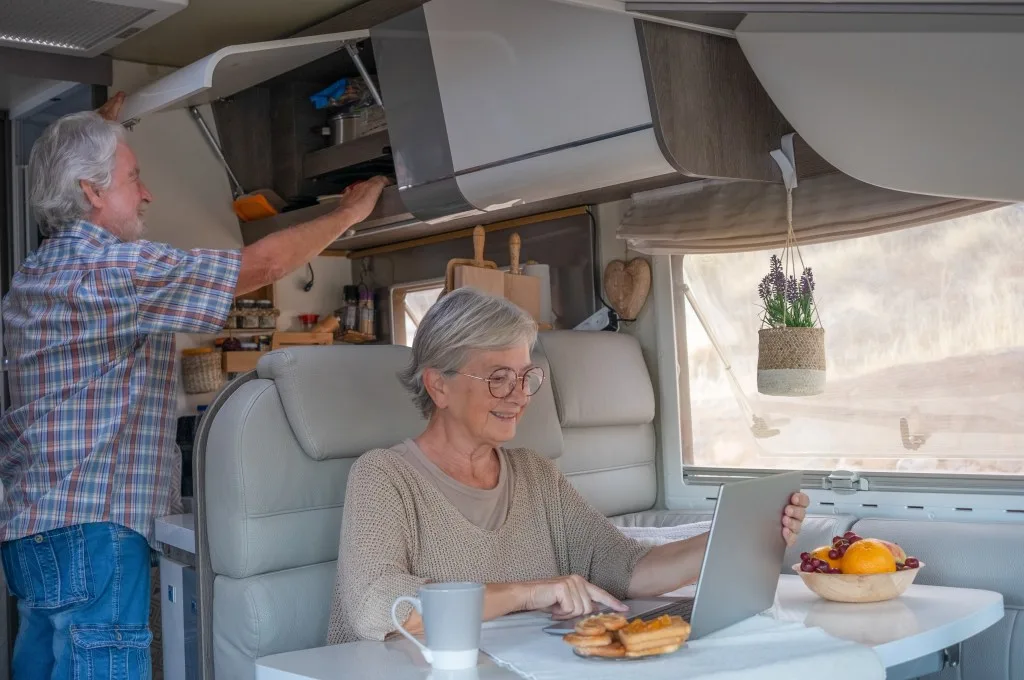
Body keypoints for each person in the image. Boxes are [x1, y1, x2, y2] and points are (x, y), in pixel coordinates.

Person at [0, 92, 389, 679]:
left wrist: (96, 131)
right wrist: (348, 215)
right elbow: (258, 269)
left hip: (34, 530)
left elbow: (72, 168)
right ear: (92, 192)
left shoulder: (38, 272)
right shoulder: (112, 271)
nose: (148, 193)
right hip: (95, 527)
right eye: (136, 178)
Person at [329, 287, 810, 643]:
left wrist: (732, 538)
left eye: (525, 377)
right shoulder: (383, 477)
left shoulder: (534, 475)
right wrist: (527, 592)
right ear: (439, 386)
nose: (520, 396)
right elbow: (379, 607)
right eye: (499, 378)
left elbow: (624, 567)